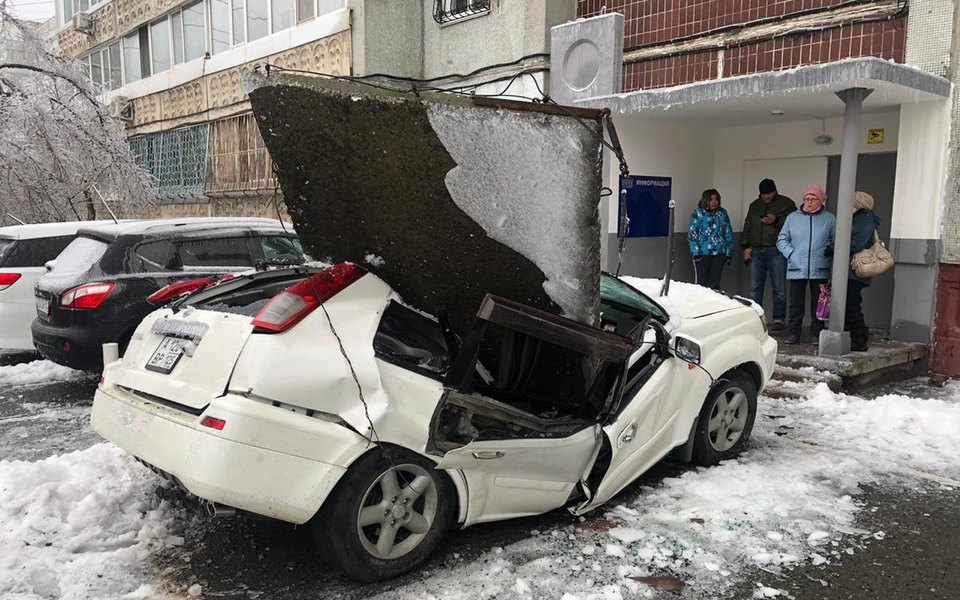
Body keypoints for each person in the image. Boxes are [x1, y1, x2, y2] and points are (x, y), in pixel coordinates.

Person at [776, 184, 836, 345]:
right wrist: (791, 254)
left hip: (820, 267)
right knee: (796, 303)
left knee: (818, 303)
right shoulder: (792, 218)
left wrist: (829, 251)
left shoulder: (829, 218)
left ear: (821, 200)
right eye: (806, 199)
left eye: (813, 199)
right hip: (797, 267)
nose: (809, 202)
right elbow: (782, 239)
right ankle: (793, 333)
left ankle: (816, 334)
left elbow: (835, 240)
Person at [742, 178, 797, 330]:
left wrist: (776, 220)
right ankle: (756, 318)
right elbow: (748, 225)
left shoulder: (786, 203)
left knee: (779, 287)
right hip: (756, 249)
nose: (766, 197)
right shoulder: (754, 205)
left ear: (775, 191)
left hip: (777, 250)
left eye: (769, 193)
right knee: (755, 287)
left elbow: (794, 223)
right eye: (763, 194)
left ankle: (779, 319)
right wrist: (745, 246)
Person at [846, 191, 881, 351]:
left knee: (851, 303)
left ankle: (859, 337)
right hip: (851, 269)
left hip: (855, 269)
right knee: (850, 303)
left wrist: (835, 246)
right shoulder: (862, 218)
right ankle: (855, 336)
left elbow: (857, 243)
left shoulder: (863, 219)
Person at [688, 189, 734, 290]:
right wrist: (695, 252)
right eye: (711, 199)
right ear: (706, 200)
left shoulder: (722, 213)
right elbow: (692, 234)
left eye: (716, 199)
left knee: (715, 283)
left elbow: (728, 232)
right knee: (701, 284)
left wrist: (728, 252)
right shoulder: (698, 213)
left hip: (719, 253)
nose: (714, 202)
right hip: (702, 254)